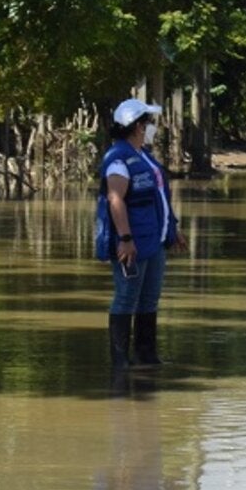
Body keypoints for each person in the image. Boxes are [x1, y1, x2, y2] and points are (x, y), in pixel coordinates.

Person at [100, 98, 186, 368]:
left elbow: (160, 197)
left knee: (150, 298)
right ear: (137, 126)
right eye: (148, 123)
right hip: (133, 243)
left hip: (155, 241)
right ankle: (119, 360)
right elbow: (116, 200)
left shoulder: (144, 156)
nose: (151, 128)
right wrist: (125, 239)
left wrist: (173, 230)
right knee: (127, 297)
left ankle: (145, 355)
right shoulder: (117, 159)